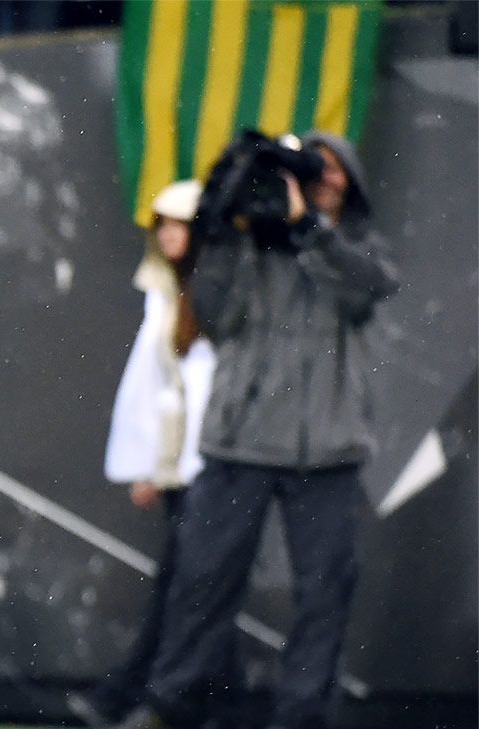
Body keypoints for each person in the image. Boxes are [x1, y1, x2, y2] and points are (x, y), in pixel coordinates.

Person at [114, 132, 398, 729]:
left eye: (334, 169)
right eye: (312, 169)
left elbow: (368, 291)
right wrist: (223, 229)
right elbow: (215, 315)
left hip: (327, 446)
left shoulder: (354, 243)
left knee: (324, 594)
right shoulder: (247, 241)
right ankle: (171, 706)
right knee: (203, 580)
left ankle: (300, 717)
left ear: (351, 180)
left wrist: (308, 230)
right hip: (240, 440)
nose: (324, 179)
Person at [67, 180, 226, 727]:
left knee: (195, 586)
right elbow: (154, 387)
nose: (169, 234)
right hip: (185, 471)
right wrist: (153, 465)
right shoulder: (163, 295)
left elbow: (204, 390)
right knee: (189, 585)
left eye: (181, 223)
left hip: (217, 468)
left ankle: (152, 698)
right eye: (163, 224)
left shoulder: (219, 293)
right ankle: (156, 698)